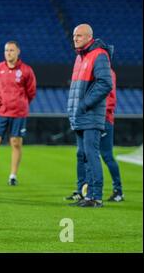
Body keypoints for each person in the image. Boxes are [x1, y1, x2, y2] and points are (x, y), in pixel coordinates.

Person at [0, 41, 36, 186]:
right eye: (6, 50)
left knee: (15, 143)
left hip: (18, 113)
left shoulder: (26, 70)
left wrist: (20, 103)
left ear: (18, 52)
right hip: (1, 112)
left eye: (11, 50)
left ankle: (13, 175)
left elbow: (31, 92)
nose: (9, 53)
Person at [66, 24, 113, 208]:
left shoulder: (99, 55)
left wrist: (84, 104)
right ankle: (88, 195)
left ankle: (96, 196)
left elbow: (105, 83)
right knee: (84, 155)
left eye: (79, 35)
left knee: (91, 154)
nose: (75, 38)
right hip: (81, 115)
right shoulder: (80, 57)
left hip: (91, 114)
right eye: (74, 35)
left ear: (89, 37)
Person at [66, 68, 124, 202]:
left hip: (103, 119)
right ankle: (82, 189)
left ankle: (118, 190)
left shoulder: (107, 72)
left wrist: (100, 114)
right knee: (81, 153)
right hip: (89, 118)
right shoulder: (90, 70)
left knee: (106, 155)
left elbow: (109, 97)